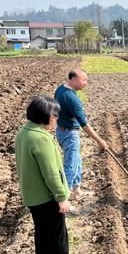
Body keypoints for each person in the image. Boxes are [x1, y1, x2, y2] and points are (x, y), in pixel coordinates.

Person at [15, 96, 88, 254]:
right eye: (54, 116)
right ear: (44, 116)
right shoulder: (41, 139)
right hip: (46, 197)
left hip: (32, 196)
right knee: (57, 235)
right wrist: (61, 198)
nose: (56, 119)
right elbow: (51, 174)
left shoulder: (24, 133)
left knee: (43, 232)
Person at [54, 68, 108, 201]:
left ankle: (77, 191)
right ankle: (63, 201)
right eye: (83, 80)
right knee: (70, 166)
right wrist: (99, 141)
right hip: (69, 134)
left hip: (62, 131)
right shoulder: (72, 98)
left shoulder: (61, 89)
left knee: (76, 162)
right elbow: (85, 125)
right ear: (73, 79)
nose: (86, 83)